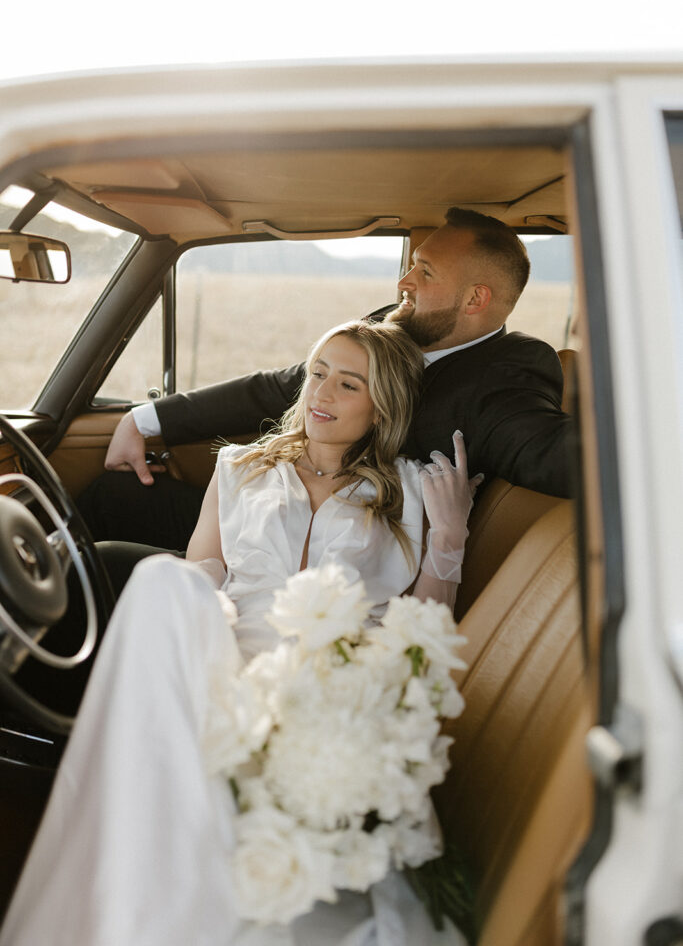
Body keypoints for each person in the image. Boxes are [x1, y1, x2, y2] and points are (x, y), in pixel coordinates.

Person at [1, 321, 477, 946]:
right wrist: (198, 614)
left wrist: (450, 538)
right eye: (316, 373)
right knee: (164, 583)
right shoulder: (241, 466)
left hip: (334, 682)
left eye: (347, 383)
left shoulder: (411, 490)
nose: (321, 393)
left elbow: (424, 625)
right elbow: (207, 568)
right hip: (228, 647)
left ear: (381, 405)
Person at [76, 206, 574, 552]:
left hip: (351, 547)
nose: (404, 282)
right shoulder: (393, 323)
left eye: (424, 271)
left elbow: (555, 454)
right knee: (116, 494)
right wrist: (148, 418)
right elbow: (284, 385)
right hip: (283, 506)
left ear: (475, 299)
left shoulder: (509, 374)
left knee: (114, 561)